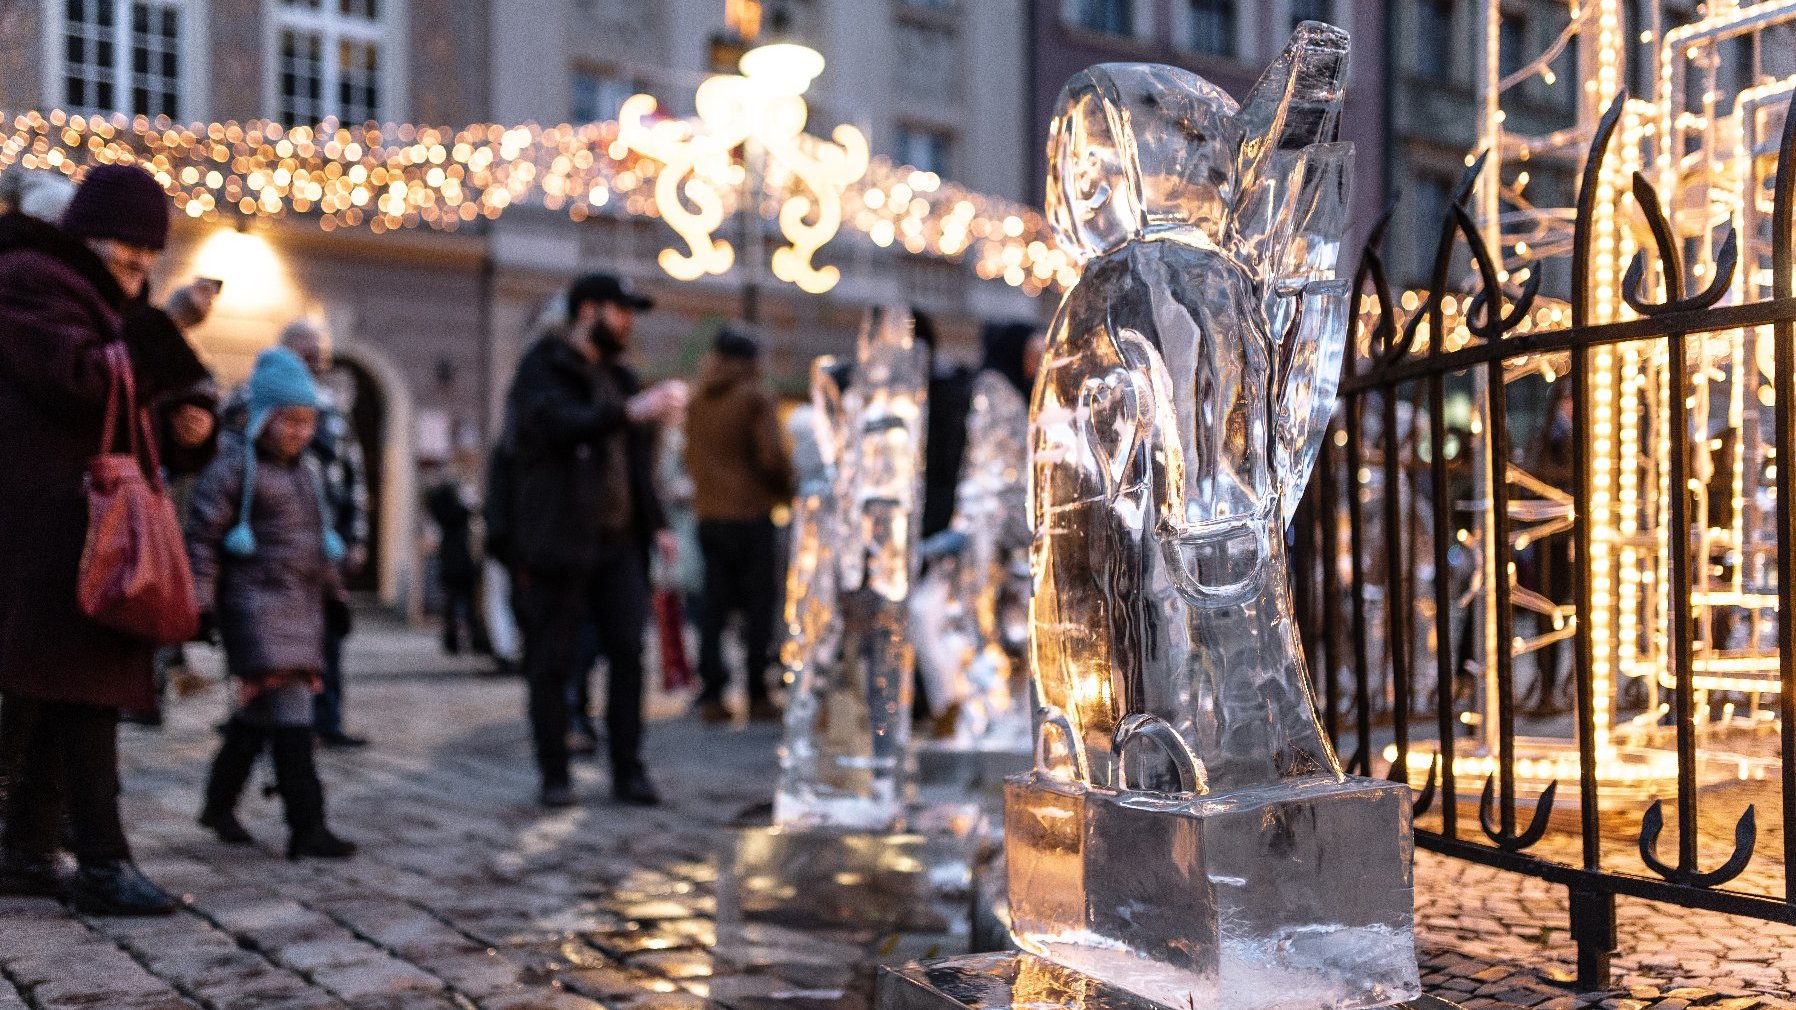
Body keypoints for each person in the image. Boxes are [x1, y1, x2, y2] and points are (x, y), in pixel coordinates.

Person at [0, 164, 217, 914]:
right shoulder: (29, 279)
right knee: (82, 692)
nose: (143, 262)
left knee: (60, 690)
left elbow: (131, 402)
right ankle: (100, 862)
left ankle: (27, 852)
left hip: (87, 520)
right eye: (131, 245)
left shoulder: (103, 296)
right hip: (49, 523)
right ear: (91, 233)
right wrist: (169, 331)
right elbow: (83, 381)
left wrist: (188, 431)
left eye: (152, 249)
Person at [500, 273, 686, 808]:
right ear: (589, 310)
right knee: (552, 660)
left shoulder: (620, 377)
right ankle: (554, 773)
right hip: (558, 537)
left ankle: (628, 769)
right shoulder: (542, 368)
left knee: (628, 653)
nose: (628, 322)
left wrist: (657, 524)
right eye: (620, 311)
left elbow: (634, 466)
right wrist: (629, 413)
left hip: (619, 543)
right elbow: (554, 423)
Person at [188, 347, 357, 860]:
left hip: (300, 606)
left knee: (261, 711)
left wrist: (337, 595)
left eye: (308, 422)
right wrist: (201, 604)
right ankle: (307, 824)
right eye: (290, 421)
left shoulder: (305, 473)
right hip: (254, 605)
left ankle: (217, 804)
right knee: (292, 707)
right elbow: (202, 537)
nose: (301, 432)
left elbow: (319, 541)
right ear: (263, 416)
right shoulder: (234, 466)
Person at [235, 320, 372, 747]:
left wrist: (358, 536)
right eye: (306, 352)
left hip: (323, 542)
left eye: (320, 355)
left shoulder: (332, 407)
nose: (315, 361)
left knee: (325, 635)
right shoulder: (250, 396)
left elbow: (354, 474)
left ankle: (325, 719)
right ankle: (254, 719)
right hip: (265, 544)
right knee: (262, 634)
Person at [683, 328, 794, 724]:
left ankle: (712, 693)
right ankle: (756, 693)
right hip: (749, 514)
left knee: (713, 609)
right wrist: (787, 487)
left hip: (709, 516)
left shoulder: (696, 400)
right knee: (758, 608)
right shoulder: (754, 397)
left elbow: (691, 457)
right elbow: (771, 456)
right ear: (750, 360)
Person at [424, 463, 487, 655]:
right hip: (459, 556)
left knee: (457, 601)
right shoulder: (452, 503)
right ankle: (464, 639)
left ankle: (458, 639)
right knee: (461, 601)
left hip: (455, 556)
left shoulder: (443, 501)